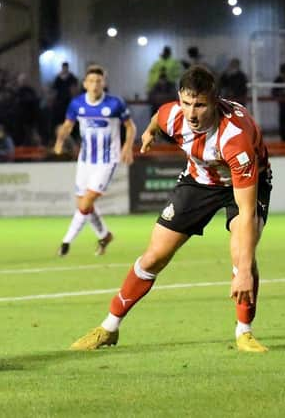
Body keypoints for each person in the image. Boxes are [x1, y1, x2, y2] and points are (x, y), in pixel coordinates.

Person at [70, 65, 272, 353]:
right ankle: (109, 327)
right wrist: (150, 132)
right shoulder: (173, 114)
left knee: (242, 255)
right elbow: (158, 118)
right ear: (180, 98)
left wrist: (243, 271)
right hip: (199, 179)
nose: (192, 113)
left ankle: (244, 332)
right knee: (153, 257)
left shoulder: (235, 138)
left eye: (200, 105)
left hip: (244, 184)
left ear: (214, 101)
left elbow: (246, 209)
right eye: (187, 103)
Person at [54, 65, 136, 256]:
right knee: (83, 205)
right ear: (84, 84)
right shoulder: (77, 104)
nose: (95, 85)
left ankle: (66, 243)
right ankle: (105, 235)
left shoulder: (115, 103)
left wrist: (127, 147)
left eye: (98, 81)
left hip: (107, 161)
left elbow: (130, 127)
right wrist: (59, 141)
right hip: (85, 160)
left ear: (104, 83)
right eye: (91, 81)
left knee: (85, 204)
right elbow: (67, 126)